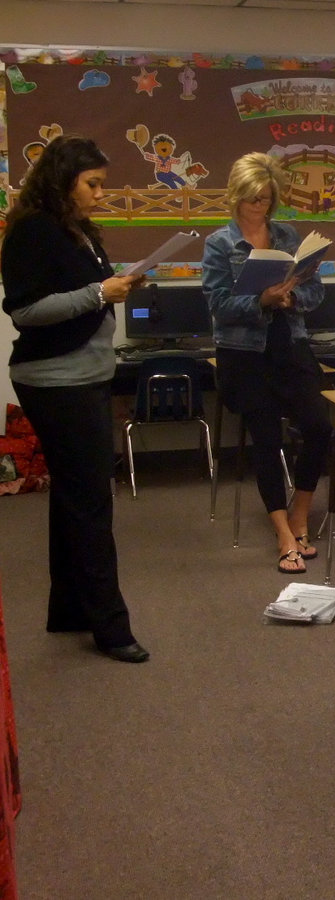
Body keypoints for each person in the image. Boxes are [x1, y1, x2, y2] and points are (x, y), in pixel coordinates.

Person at [0, 136, 150, 663]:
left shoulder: (78, 231)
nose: (100, 194)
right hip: (54, 379)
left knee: (73, 496)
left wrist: (118, 286)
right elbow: (24, 310)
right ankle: (111, 628)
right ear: (63, 182)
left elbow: (87, 292)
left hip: (84, 373)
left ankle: (67, 610)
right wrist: (99, 294)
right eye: (93, 184)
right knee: (91, 502)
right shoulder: (32, 231)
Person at [201, 152, 331, 575]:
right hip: (244, 354)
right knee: (265, 438)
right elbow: (219, 304)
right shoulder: (220, 243)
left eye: (266, 199)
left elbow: (315, 294)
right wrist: (261, 300)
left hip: (289, 345)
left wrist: (292, 296)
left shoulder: (288, 236)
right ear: (236, 197)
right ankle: (283, 532)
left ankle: (300, 512)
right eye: (252, 199)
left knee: (318, 426)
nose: (259, 206)